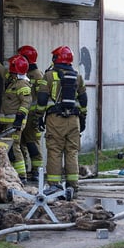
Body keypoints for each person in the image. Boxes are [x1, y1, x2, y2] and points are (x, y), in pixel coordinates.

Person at [35, 45, 88, 194]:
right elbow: (84, 100)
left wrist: (39, 117)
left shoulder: (49, 76)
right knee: (72, 152)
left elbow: (42, 99)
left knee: (55, 151)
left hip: (55, 119)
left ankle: (55, 186)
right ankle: (73, 186)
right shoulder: (78, 76)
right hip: (74, 120)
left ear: (56, 59)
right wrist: (83, 118)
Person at [0, 53, 32, 182]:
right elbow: (1, 70)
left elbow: (26, 103)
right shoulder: (13, 80)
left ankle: (22, 176)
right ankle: (14, 173)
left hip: (15, 124)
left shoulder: (22, 85)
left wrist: (19, 118)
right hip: (9, 124)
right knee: (9, 147)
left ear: (15, 71)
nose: (9, 71)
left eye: (11, 68)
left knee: (14, 147)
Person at [18, 45, 45, 180]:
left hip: (32, 116)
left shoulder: (37, 75)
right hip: (23, 115)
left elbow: (42, 96)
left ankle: (37, 171)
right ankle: (24, 170)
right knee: (21, 143)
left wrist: (39, 116)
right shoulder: (23, 74)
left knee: (32, 143)